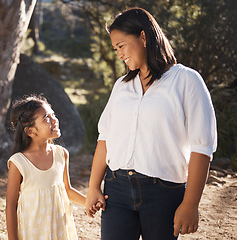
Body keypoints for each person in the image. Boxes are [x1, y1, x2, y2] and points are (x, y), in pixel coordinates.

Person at [85, 7, 217, 240]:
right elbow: (105, 137)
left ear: (143, 37)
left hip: (163, 194)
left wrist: (191, 204)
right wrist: (94, 187)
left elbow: (202, 147)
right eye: (115, 49)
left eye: (121, 46)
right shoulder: (122, 86)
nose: (119, 55)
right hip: (116, 190)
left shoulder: (187, 80)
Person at [5, 94, 86, 240]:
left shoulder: (61, 154)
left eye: (53, 114)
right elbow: (11, 206)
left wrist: (90, 202)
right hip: (33, 232)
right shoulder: (19, 163)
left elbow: (67, 190)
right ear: (30, 131)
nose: (55, 120)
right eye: (46, 118)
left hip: (59, 230)